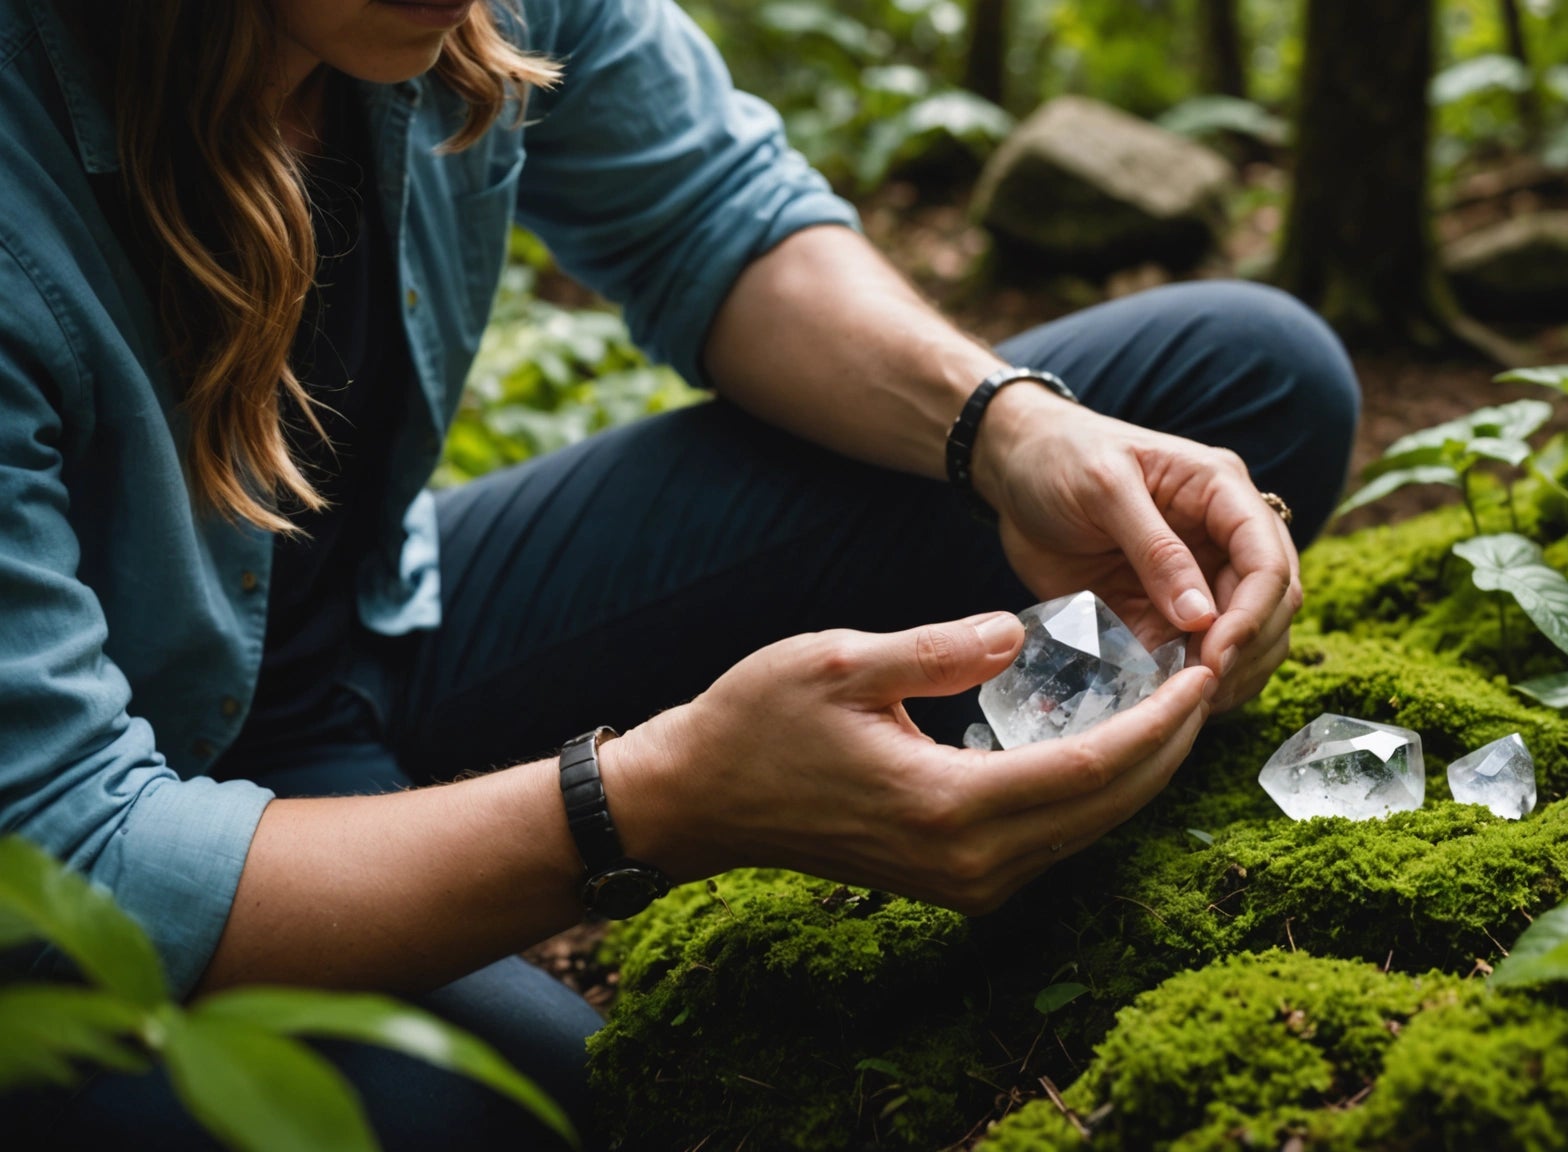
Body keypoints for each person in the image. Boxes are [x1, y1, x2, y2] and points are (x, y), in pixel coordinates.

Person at [0, 0, 1358, 1146]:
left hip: (369, 627)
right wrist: (640, 806)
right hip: (110, 808)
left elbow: (712, 214)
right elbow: (66, 862)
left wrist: (1008, 429)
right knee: (533, 1108)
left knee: (1241, 381)